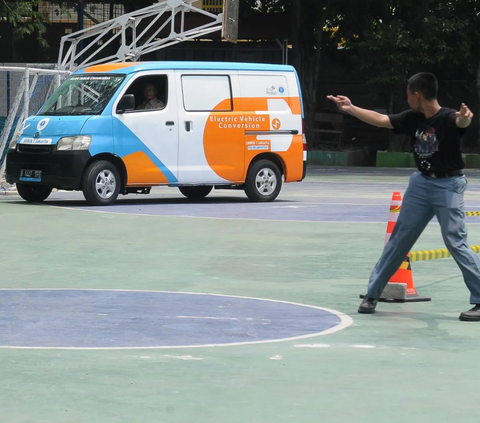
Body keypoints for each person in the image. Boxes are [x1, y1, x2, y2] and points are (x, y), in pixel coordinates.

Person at [327, 72, 480, 321]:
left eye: (408, 95)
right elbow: (381, 119)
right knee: (399, 240)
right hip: (420, 185)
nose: (407, 99)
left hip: (449, 185)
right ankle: (373, 294)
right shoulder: (412, 118)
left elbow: (461, 124)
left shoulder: (449, 117)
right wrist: (351, 108)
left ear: (417, 95)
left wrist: (465, 119)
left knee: (455, 241)